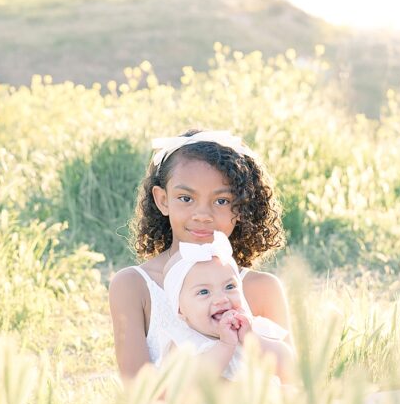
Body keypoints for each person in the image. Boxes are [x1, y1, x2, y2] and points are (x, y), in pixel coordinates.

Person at [109, 129, 293, 381]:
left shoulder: (262, 288)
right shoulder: (134, 285)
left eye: (221, 201)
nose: (202, 214)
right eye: (186, 198)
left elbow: (295, 381)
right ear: (162, 200)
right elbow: (139, 391)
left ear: (240, 206)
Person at [159, 231, 294, 384]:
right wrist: (226, 345)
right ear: (180, 309)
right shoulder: (182, 342)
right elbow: (191, 384)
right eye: (204, 292)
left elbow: (289, 366)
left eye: (230, 286)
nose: (221, 299)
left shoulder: (253, 328)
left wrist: (251, 340)